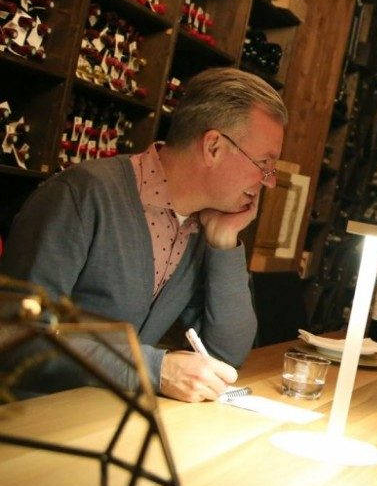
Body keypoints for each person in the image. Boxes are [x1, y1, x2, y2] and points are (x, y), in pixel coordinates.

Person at [1, 68, 285, 402]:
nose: (269, 181)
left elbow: (226, 355)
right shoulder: (81, 195)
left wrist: (223, 244)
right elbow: (16, 333)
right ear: (213, 147)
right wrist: (154, 369)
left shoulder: (201, 225)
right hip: (30, 428)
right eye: (264, 162)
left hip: (111, 426)